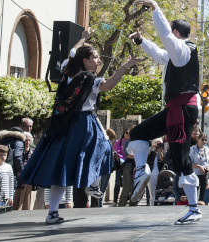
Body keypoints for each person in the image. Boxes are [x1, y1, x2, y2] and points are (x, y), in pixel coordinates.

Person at [18, 28, 139, 224]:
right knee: (104, 148)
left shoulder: (67, 71)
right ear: (85, 61)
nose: (98, 60)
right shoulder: (89, 79)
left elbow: (71, 54)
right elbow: (108, 85)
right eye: (95, 57)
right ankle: (92, 183)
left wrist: (82, 39)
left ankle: (53, 213)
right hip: (83, 123)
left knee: (62, 168)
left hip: (60, 125)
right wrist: (124, 67)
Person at [126, 0, 201, 225]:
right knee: (139, 133)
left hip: (182, 111)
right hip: (177, 110)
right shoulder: (176, 54)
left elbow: (166, 39)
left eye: (171, 32)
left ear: (176, 32)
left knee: (182, 159)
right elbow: (159, 53)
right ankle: (141, 172)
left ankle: (194, 209)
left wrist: (156, 8)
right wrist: (141, 41)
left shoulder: (183, 49)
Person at [191, 132, 209, 204]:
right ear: (198, 139)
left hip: (204, 174)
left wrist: (208, 169)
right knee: (195, 192)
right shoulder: (193, 149)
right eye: (202, 139)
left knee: (203, 191)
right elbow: (190, 163)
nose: (204, 141)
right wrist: (199, 167)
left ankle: (202, 203)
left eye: (205, 140)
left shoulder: (207, 149)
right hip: (195, 174)